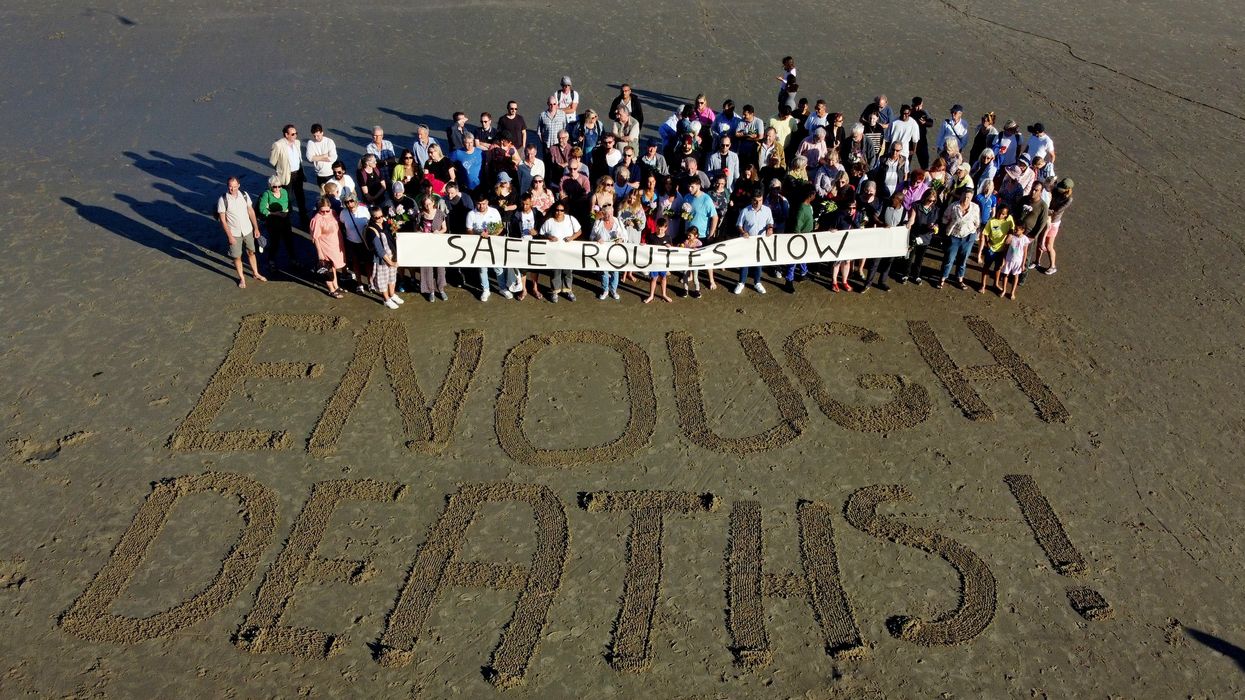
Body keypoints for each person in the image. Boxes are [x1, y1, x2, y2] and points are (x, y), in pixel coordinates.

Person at [217, 177, 266, 288]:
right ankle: (242, 279)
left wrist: (256, 228)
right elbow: (223, 221)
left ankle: (256, 273)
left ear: (239, 185)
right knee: (237, 257)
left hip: (247, 230)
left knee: (251, 252)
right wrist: (229, 236)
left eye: (235, 186)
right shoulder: (223, 199)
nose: (232, 189)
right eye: (230, 186)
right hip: (234, 233)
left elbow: (251, 211)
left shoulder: (244, 195)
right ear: (227, 186)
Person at [862, 193, 912, 292]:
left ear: (899, 201)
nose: (892, 199)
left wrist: (906, 226)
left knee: (888, 263)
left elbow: (905, 225)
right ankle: (867, 283)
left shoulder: (904, 212)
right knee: (874, 262)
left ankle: (882, 282)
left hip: (893, 242)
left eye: (894, 199)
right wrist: (882, 224)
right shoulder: (885, 206)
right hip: (881, 239)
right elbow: (875, 216)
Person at [938, 187, 981, 289]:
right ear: (961, 195)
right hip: (954, 237)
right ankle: (943, 278)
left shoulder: (975, 207)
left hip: (969, 237)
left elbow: (977, 222)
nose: (966, 200)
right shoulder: (953, 206)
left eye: (969, 198)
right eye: (965, 197)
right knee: (949, 259)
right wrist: (950, 226)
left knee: (963, 259)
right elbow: (944, 219)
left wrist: (972, 229)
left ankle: (960, 278)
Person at [680, 177, 718, 290]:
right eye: (689, 186)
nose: (689, 188)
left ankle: (711, 280)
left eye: (692, 186)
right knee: (690, 257)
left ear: (699, 186)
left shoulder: (706, 199)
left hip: (701, 235)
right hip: (688, 234)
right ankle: (691, 275)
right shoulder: (687, 197)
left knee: (706, 259)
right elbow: (684, 213)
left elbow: (715, 217)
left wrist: (711, 234)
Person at [539, 202, 583, 301]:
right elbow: (541, 234)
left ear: (564, 211)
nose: (559, 212)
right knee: (555, 272)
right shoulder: (549, 222)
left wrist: (572, 238)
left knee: (568, 271)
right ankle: (555, 291)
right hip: (554, 252)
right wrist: (549, 237)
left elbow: (579, 231)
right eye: (557, 210)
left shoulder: (571, 219)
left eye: (561, 210)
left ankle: (568, 290)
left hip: (568, 251)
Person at [733, 189, 774, 294]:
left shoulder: (767, 210)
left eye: (760, 200)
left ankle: (757, 282)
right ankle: (741, 282)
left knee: (758, 263)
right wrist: (742, 232)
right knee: (745, 262)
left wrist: (770, 228)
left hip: (760, 242)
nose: (757, 203)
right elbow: (739, 225)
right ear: (751, 200)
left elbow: (770, 222)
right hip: (747, 241)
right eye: (755, 200)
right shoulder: (745, 211)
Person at [268, 124, 308, 227]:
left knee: (301, 196)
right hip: (286, 176)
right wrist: (281, 170)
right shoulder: (278, 145)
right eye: (293, 134)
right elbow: (272, 161)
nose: (295, 136)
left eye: (296, 133)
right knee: (287, 198)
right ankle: (287, 220)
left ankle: (304, 218)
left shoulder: (297, 143)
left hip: (298, 174)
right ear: (286, 135)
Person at [415, 194, 449, 302]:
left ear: (433, 203)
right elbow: (416, 229)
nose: (428, 206)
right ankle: (431, 291)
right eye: (425, 204)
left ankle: (441, 289)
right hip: (425, 245)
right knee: (426, 268)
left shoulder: (440, 214)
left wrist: (439, 232)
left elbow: (445, 228)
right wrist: (420, 232)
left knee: (440, 268)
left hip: (438, 244)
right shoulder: (420, 215)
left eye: (429, 204)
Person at [365, 205, 401, 308]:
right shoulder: (372, 230)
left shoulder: (385, 224)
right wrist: (390, 262)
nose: (380, 219)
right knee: (383, 280)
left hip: (392, 256)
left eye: (381, 216)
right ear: (372, 217)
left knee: (392, 277)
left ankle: (392, 294)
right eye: (377, 217)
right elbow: (379, 250)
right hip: (382, 260)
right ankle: (386, 299)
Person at [257, 175, 295, 270]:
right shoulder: (267, 194)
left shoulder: (284, 192)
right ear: (270, 186)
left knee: (289, 240)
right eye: (275, 186)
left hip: (285, 220)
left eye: (279, 186)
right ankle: (271, 261)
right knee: (275, 242)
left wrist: (288, 211)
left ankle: (293, 259)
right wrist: (275, 213)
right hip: (273, 221)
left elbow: (288, 203)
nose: (277, 188)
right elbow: (262, 209)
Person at [902, 189, 940, 284]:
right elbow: (912, 219)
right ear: (924, 198)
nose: (931, 202)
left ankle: (916, 275)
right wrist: (909, 224)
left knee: (920, 258)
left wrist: (935, 227)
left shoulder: (935, 209)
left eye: (933, 201)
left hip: (926, 236)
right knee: (910, 257)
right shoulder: (916, 205)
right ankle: (905, 274)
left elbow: (937, 223)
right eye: (929, 200)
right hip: (915, 234)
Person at [309, 198, 345, 298]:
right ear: (318, 209)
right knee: (327, 268)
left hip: (335, 245)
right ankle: (331, 290)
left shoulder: (333, 212)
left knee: (333, 266)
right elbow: (315, 238)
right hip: (324, 246)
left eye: (327, 210)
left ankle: (336, 286)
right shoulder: (317, 219)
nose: (325, 213)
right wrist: (320, 253)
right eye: (322, 211)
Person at [976, 202, 1013, 293]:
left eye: (1003, 214)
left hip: (1002, 250)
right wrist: (988, 245)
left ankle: (995, 284)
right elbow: (985, 233)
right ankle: (983, 285)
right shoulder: (991, 221)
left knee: (998, 268)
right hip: (991, 249)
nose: (1000, 215)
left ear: (1007, 215)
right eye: (999, 212)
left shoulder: (1009, 219)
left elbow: (1012, 228)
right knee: (986, 267)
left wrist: (1010, 235)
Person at [1039, 177, 1073, 274]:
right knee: (1040, 242)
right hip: (1046, 218)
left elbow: (1057, 211)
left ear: (1068, 189)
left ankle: (1052, 266)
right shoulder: (1056, 189)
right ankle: (1037, 261)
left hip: (1053, 222)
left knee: (1049, 245)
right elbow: (1047, 187)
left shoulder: (1068, 199)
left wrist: (1045, 210)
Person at [591, 203, 625, 300]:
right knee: (604, 272)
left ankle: (613, 290)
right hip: (603, 252)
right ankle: (605, 290)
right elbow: (592, 236)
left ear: (613, 212)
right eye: (606, 214)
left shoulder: (618, 221)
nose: (609, 216)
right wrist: (596, 239)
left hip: (615, 251)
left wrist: (621, 240)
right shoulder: (598, 222)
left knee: (615, 271)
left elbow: (625, 236)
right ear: (603, 214)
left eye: (610, 213)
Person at [338, 193, 371, 291]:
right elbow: (342, 224)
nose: (349, 204)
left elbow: (369, 223)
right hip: (351, 242)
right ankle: (359, 284)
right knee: (355, 264)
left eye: (351, 201)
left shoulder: (364, 210)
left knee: (368, 264)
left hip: (364, 242)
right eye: (346, 202)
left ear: (355, 201)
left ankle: (370, 283)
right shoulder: (343, 213)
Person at [643, 217, 675, 303]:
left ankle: (664, 294)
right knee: (654, 279)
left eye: (662, 229)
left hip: (663, 262)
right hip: (654, 262)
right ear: (656, 226)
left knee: (663, 278)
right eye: (658, 228)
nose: (660, 231)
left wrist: (670, 247)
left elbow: (672, 250)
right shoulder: (651, 236)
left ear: (666, 228)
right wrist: (643, 245)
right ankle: (651, 295)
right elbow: (647, 247)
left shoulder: (668, 237)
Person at [999, 224, 1031, 300]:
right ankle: (1004, 290)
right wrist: (1003, 259)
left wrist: (1023, 264)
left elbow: (1025, 252)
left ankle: (1012, 292)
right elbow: (1006, 247)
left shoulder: (1025, 239)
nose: (1015, 230)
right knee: (1005, 275)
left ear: (1022, 230)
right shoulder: (1012, 237)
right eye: (1015, 229)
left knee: (1015, 276)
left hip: (1018, 261)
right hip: (1008, 259)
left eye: (1017, 229)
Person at [911, 97, 934, 169]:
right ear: (919, 105)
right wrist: (925, 122)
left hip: (916, 141)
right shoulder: (921, 113)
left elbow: (930, 123)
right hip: (917, 141)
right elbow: (931, 123)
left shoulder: (910, 112)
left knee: (924, 163)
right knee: (924, 163)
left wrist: (925, 122)